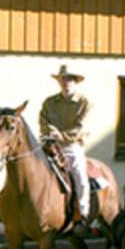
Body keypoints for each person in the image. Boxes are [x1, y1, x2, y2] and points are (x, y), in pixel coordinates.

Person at [39, 64, 94, 236]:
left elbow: (81, 127)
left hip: (72, 145)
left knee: (80, 176)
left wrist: (61, 135)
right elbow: (43, 121)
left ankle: (83, 214)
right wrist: (49, 132)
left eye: (70, 79)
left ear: (76, 82)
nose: (66, 82)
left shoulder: (85, 102)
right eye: (63, 79)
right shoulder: (49, 102)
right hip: (50, 144)